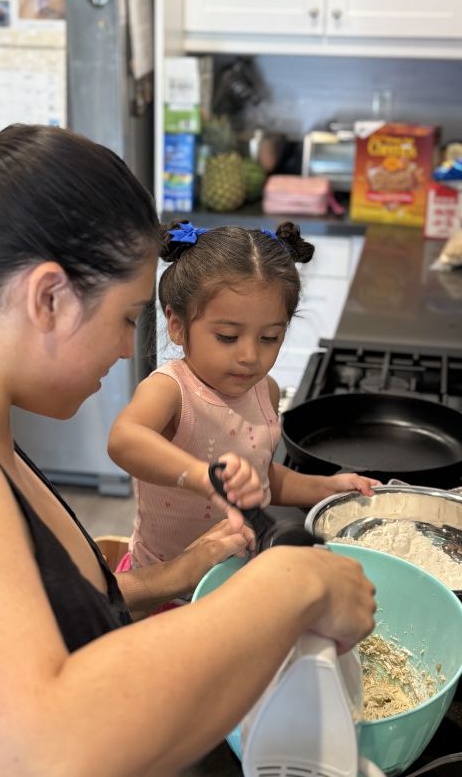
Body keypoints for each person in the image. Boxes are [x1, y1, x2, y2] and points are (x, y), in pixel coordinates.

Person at [0, 89, 376, 777]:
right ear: (49, 297)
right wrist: (290, 584)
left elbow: (49, 608)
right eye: (128, 316)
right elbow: (23, 756)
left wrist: (178, 573)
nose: (125, 348)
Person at [108, 220, 381, 569]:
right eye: (227, 336)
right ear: (177, 325)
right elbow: (123, 439)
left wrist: (327, 489)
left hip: (236, 572)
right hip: (165, 584)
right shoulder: (172, 390)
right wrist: (204, 477)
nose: (250, 356)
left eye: (269, 338)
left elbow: (262, 477)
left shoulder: (265, 391)